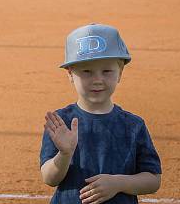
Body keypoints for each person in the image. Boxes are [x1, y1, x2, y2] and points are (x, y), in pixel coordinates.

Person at [40, 23, 162, 203]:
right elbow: (49, 178)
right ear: (70, 73)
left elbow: (153, 180)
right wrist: (64, 154)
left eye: (106, 71)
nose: (97, 80)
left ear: (120, 72)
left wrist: (119, 183)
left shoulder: (134, 125)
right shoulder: (60, 122)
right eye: (87, 71)